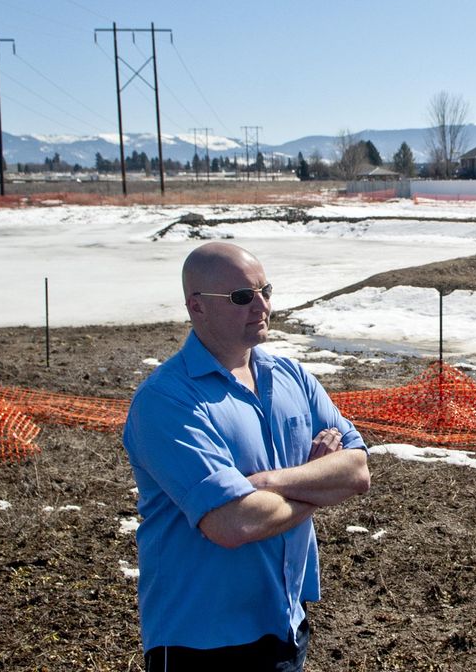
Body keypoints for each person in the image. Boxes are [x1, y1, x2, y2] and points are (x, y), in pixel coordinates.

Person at [123, 241, 370, 671]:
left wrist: (270, 483)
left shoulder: (291, 376)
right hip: (201, 641)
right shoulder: (167, 401)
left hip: (286, 621)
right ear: (196, 307)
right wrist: (318, 483)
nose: (262, 306)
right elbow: (232, 522)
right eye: (242, 297)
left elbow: (357, 471)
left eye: (265, 291)